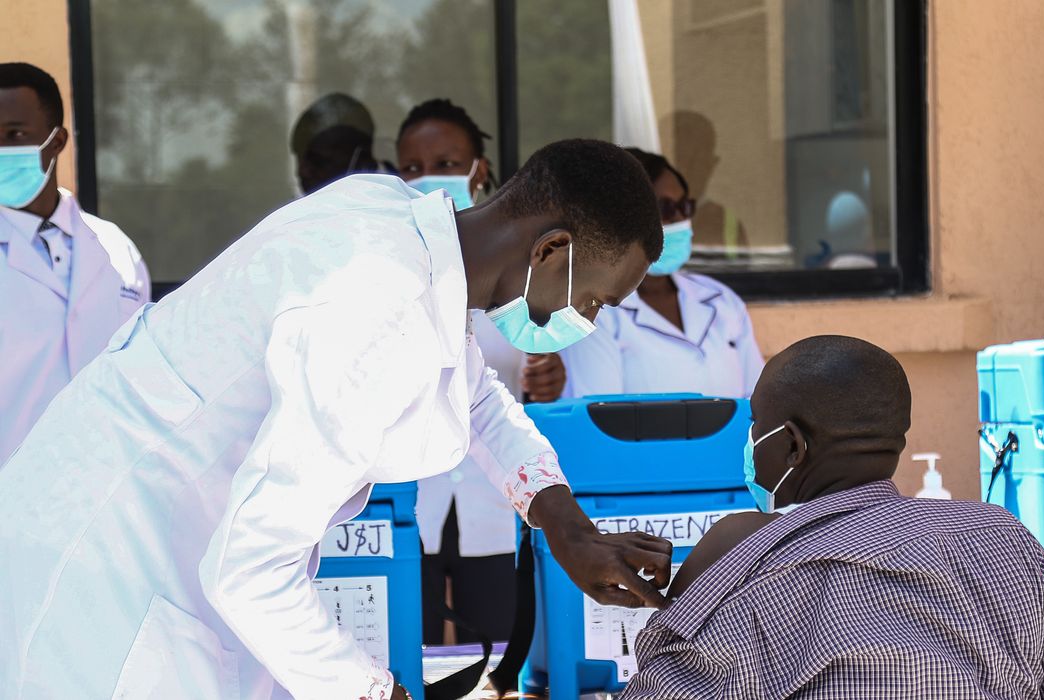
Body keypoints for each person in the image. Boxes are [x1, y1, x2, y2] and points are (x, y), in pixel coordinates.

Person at [0, 139, 672, 700]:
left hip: (136, 528)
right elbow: (251, 569)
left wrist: (564, 524)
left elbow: (472, 394)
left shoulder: (396, 219)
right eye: (593, 300)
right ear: (549, 251)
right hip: (112, 576)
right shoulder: (371, 309)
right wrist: (371, 691)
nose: (586, 322)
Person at [622, 336, 1044, 699]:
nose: (750, 444)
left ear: (791, 445)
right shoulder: (1007, 543)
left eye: (755, 427)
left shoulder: (749, 572)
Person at [395, 98, 567, 644]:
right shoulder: (388, 264)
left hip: (495, 499)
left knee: (498, 652)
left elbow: (536, 377)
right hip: (406, 492)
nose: (429, 180)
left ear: (480, 171)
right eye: (412, 169)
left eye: (446, 164)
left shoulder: (523, 267)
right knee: (406, 645)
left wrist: (550, 381)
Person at [0, 62, 150, 463]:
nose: (1, 149)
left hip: (100, 489)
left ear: (57, 140)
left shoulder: (116, 250)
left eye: (14, 135)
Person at [560, 147, 763, 398]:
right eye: (665, 208)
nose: (680, 219)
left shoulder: (721, 299)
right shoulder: (593, 311)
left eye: (684, 207)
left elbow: (758, 401)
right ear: (622, 215)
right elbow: (601, 418)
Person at [290, 92, 384, 195]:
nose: (302, 172)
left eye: (318, 161)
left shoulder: (394, 206)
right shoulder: (291, 210)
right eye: (299, 159)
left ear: (363, 163)